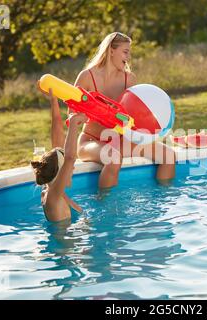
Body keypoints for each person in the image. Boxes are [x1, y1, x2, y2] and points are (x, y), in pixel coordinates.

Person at [72, 31, 176, 188]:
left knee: (169, 155)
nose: (128, 57)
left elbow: (134, 117)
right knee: (114, 159)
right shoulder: (87, 76)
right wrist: (97, 112)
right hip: (91, 142)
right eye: (125, 52)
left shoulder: (129, 79)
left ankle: (162, 199)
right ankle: (105, 208)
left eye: (129, 53)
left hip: (121, 141)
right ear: (111, 50)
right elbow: (72, 115)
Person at [31, 85, 88, 222]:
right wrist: (73, 122)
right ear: (59, 173)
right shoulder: (53, 197)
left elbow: (57, 144)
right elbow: (69, 158)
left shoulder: (49, 187)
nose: (73, 168)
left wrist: (54, 101)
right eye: (68, 167)